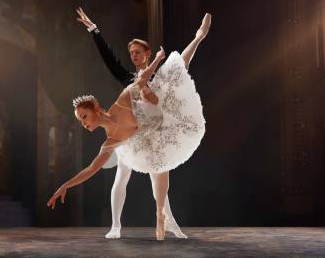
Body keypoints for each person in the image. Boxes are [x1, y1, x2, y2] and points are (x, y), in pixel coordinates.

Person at [47, 13, 211, 241]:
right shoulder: (109, 142)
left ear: (95, 109)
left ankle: (198, 37)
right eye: (81, 120)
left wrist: (157, 61)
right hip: (136, 141)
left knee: (176, 70)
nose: (83, 124)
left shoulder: (128, 96)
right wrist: (65, 185)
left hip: (154, 125)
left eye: (84, 117)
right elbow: (91, 169)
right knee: (128, 174)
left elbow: (143, 81)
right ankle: (118, 225)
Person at [75, 7, 185, 239]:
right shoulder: (128, 78)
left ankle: (170, 222)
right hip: (127, 132)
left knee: (159, 176)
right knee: (122, 175)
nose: (133, 56)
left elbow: (177, 77)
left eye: (137, 52)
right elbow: (110, 60)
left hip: (149, 131)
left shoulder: (159, 76)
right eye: (131, 53)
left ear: (147, 53)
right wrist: (94, 30)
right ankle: (116, 226)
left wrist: (197, 38)